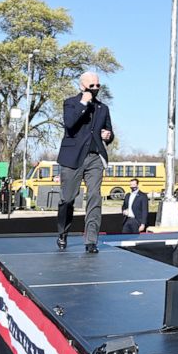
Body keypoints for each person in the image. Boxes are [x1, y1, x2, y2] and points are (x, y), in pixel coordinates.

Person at [56, 71, 114, 253]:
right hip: (72, 157)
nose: (96, 89)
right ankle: (62, 233)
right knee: (67, 199)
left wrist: (108, 135)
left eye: (98, 85)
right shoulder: (71, 103)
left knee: (95, 196)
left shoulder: (103, 108)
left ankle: (91, 240)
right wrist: (84, 103)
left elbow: (108, 131)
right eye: (92, 86)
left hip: (95, 156)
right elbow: (70, 124)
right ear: (82, 86)